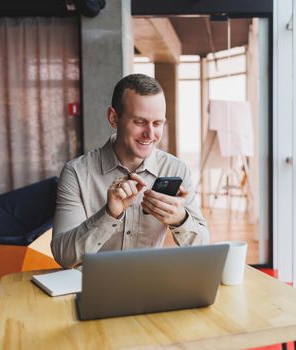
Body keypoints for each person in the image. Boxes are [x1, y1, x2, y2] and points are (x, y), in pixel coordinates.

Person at [51, 74, 210, 268]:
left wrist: (180, 219)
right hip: (93, 289)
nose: (150, 134)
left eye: (157, 123)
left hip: (149, 288)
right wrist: (109, 214)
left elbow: (204, 248)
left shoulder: (176, 169)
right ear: (113, 118)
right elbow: (63, 257)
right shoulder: (76, 173)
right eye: (140, 122)